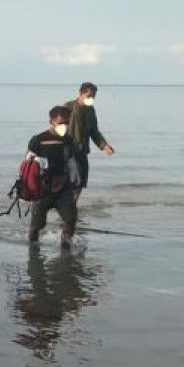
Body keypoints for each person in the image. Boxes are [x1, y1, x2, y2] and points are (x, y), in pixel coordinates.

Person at [27, 105, 77, 248]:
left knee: (71, 218)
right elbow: (27, 165)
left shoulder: (68, 140)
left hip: (63, 188)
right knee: (36, 226)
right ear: (52, 121)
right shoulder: (38, 140)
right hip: (42, 190)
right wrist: (27, 186)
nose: (64, 126)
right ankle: (33, 249)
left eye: (67, 123)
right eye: (61, 123)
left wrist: (75, 183)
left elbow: (72, 163)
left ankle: (66, 248)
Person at [64, 82, 115, 203]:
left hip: (83, 151)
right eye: (89, 95)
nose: (91, 98)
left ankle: (71, 208)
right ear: (81, 94)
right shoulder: (68, 107)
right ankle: (67, 210)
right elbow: (58, 127)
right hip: (69, 152)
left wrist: (104, 146)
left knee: (81, 183)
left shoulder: (91, 110)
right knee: (71, 183)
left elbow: (94, 131)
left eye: (94, 96)